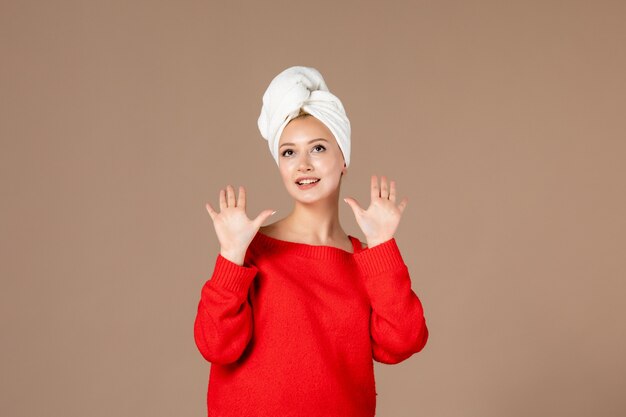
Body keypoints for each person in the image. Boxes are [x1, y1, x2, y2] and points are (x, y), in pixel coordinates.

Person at [193, 66, 429, 417]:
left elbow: (404, 341)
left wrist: (381, 246)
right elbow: (216, 346)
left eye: (317, 148)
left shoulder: (366, 262)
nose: (302, 164)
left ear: (344, 159)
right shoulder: (252, 251)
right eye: (289, 152)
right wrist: (230, 256)